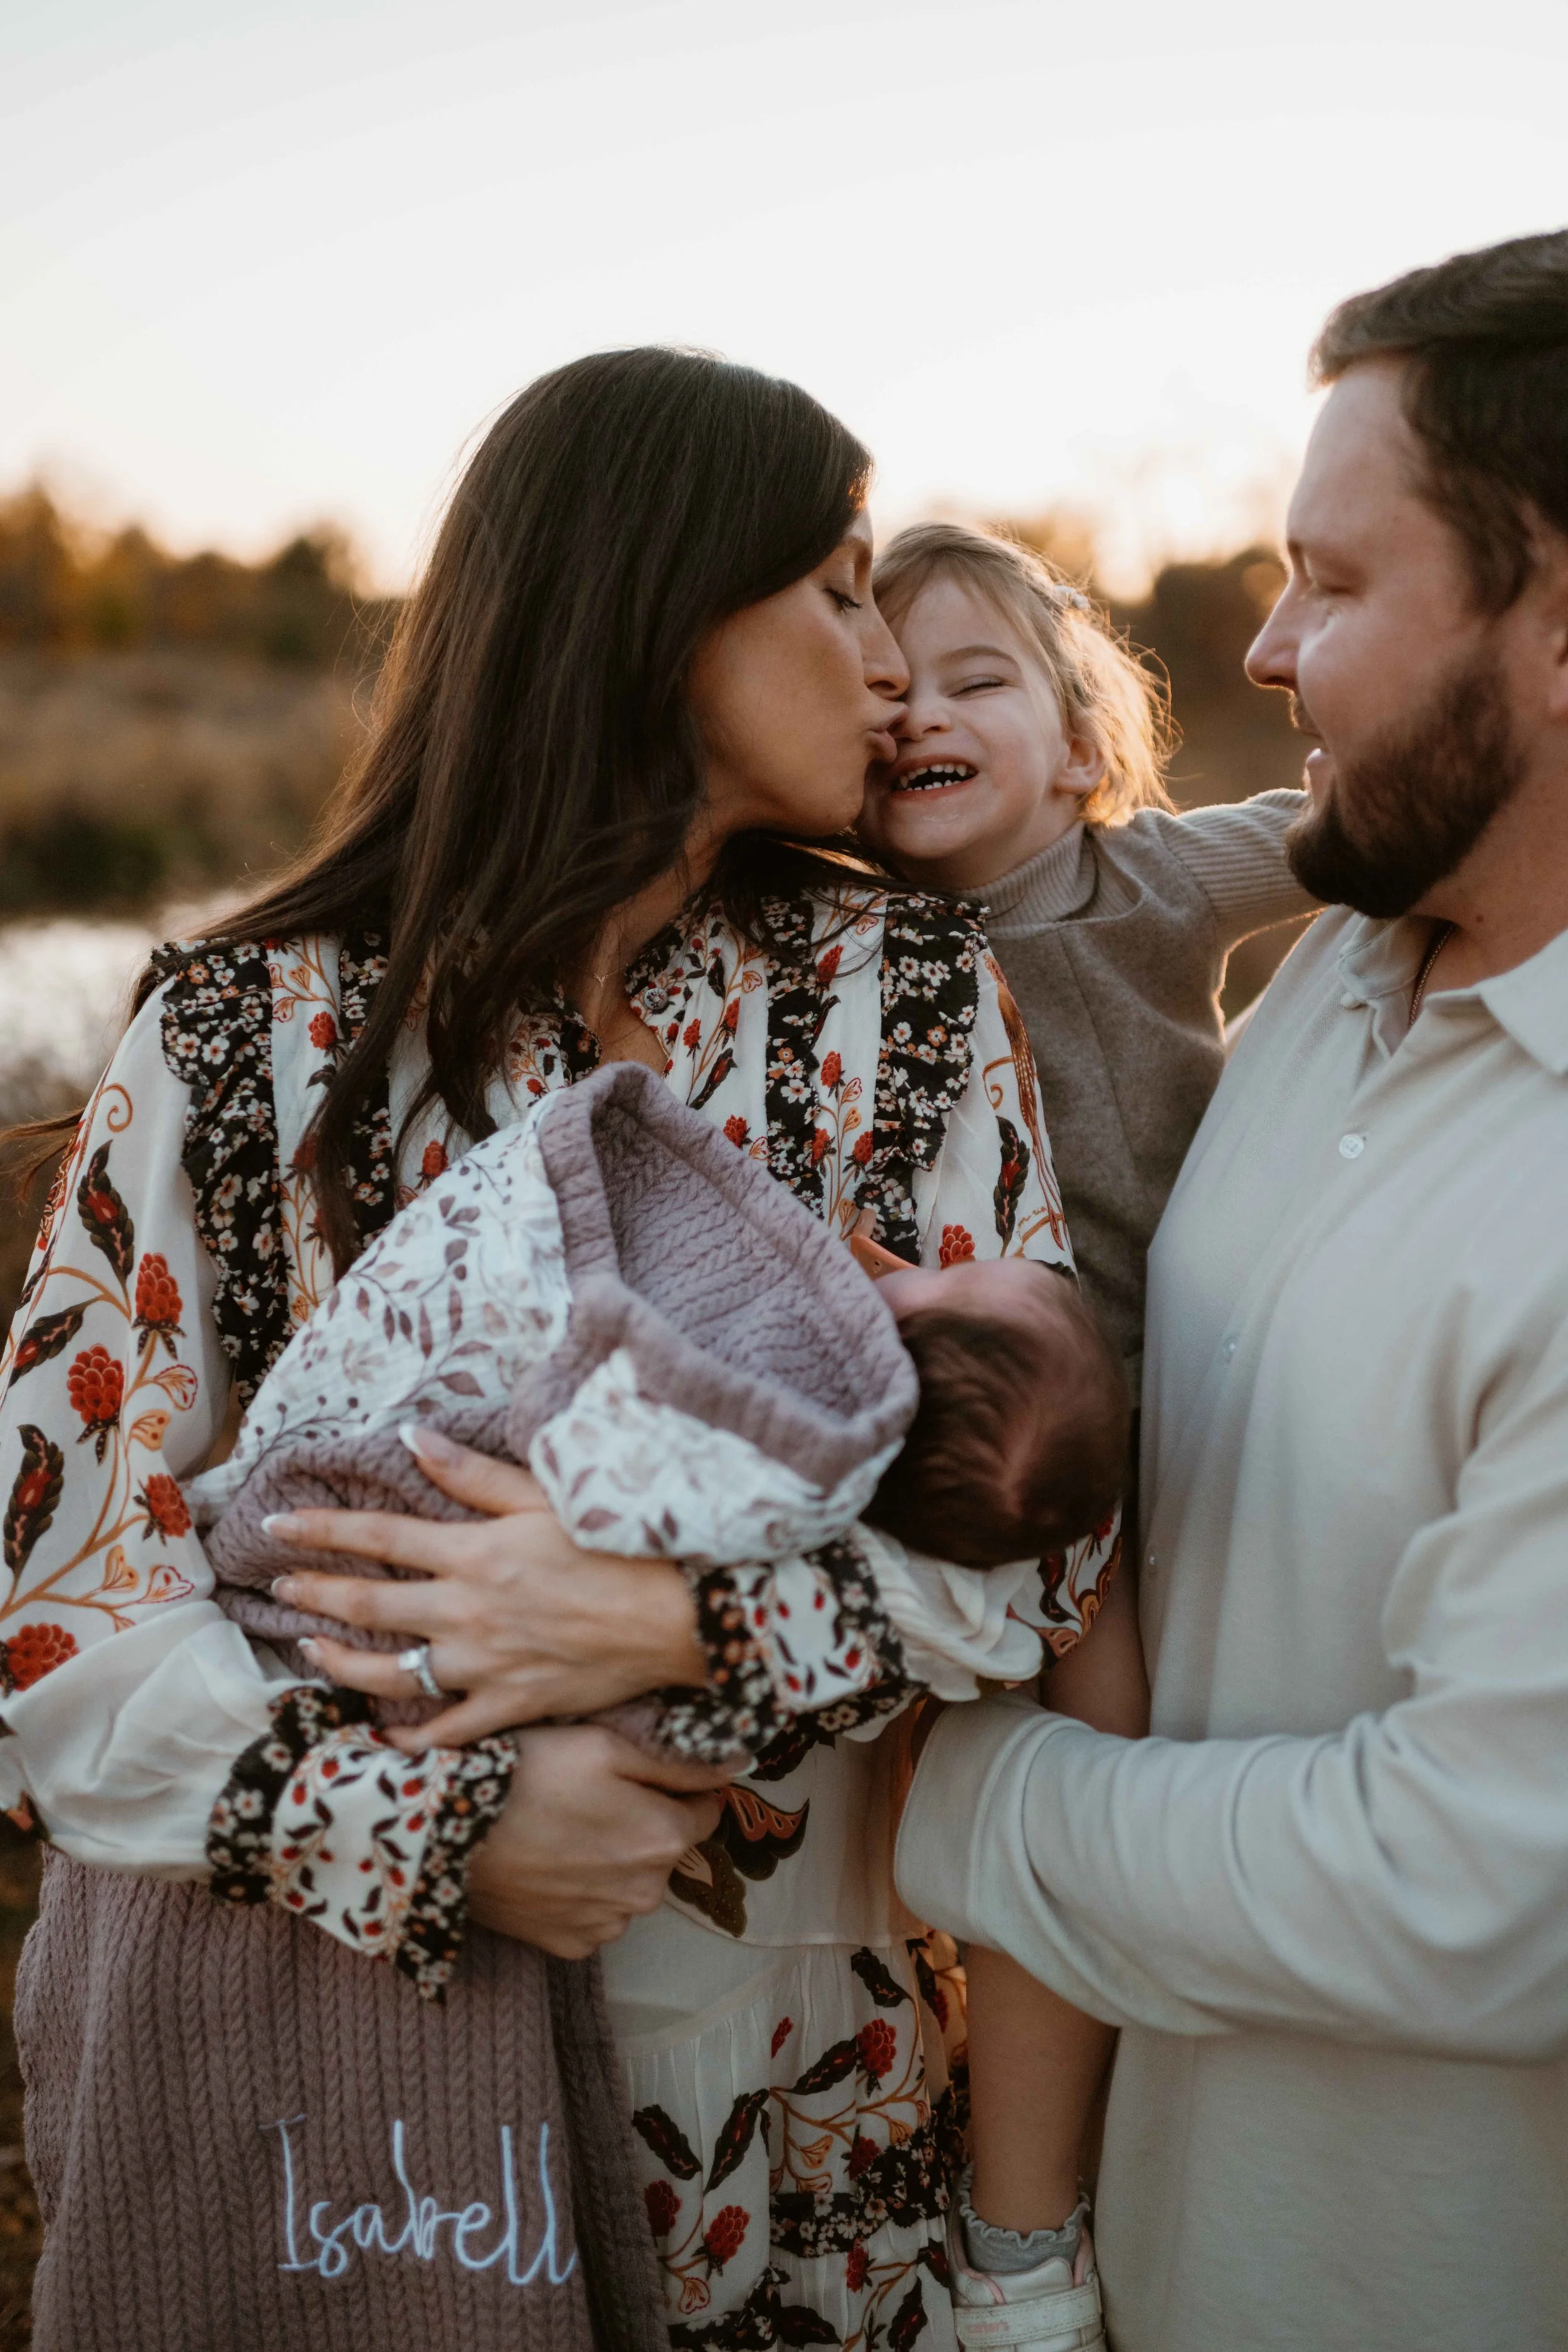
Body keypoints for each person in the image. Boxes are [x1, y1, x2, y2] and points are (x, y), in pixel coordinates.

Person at [0, 349, 1118, 2350]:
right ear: (660, 608)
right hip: (343, 2080)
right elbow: (60, 1625)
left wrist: (678, 1624)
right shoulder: (237, 1039)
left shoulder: (911, 1004)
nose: (889, 657)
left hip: (806, 2075)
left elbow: (1043, 1554)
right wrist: (443, 1837)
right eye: (841, 587)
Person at [893, 227, 1568, 2352]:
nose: (1264, 651)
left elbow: (1481, 1890)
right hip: (1150, 2247)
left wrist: (956, 1797)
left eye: (1336, 582)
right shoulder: (1335, 976)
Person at [855, 521, 1311, 2339]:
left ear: (1076, 740)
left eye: (976, 682)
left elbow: (1350, 825)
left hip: (1169, 1424)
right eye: (888, 694)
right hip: (987, 1465)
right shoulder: (853, 948)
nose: (921, 720)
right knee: (999, 1814)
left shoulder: (1149, 882)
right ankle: (1007, 2218)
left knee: (1099, 1782)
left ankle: (1036, 2221)